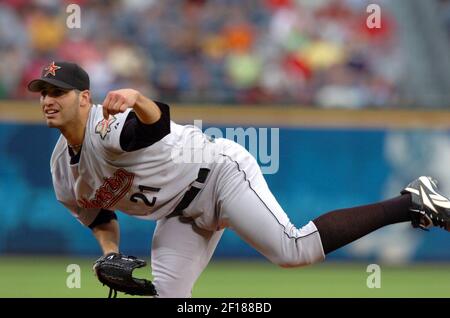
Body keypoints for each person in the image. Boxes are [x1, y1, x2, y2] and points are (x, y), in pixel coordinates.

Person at [28, 61, 449, 298]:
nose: (48, 100)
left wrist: (138, 99)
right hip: (177, 215)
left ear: (85, 98)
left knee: (292, 250)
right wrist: (109, 252)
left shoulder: (108, 124)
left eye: (58, 92)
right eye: (43, 93)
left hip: (218, 175)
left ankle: (410, 203)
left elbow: (154, 127)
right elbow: (98, 213)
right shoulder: (60, 170)